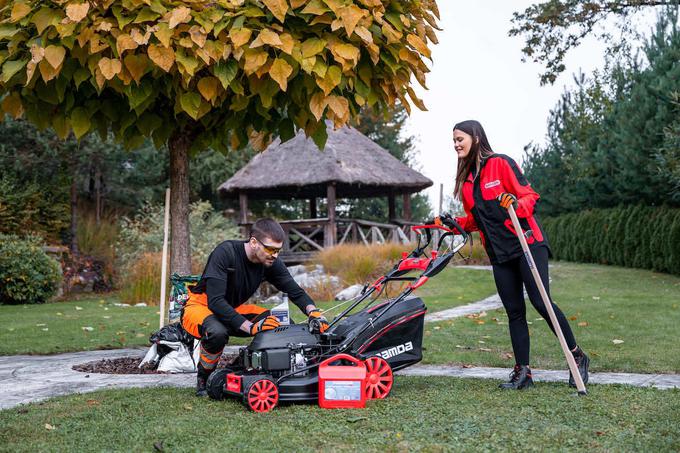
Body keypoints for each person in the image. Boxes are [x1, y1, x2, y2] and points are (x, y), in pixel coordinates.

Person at [450, 120, 589, 390]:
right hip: (499, 253)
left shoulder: (501, 164)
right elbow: (475, 220)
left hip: (527, 243)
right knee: (514, 311)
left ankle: (577, 356)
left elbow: (530, 196)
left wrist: (515, 202)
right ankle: (523, 372)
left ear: (476, 137)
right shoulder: (467, 183)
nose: (455, 144)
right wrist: (450, 223)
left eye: (459, 138)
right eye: (453, 140)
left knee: (541, 301)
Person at [181, 218, 329, 396]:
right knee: (217, 332)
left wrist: (313, 312)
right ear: (253, 242)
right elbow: (216, 301)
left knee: (281, 325)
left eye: (278, 250)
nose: (274, 255)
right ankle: (204, 379)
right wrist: (251, 327)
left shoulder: (270, 262)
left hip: (232, 308)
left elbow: (295, 291)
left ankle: (236, 368)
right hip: (200, 306)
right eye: (270, 249)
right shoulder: (225, 252)